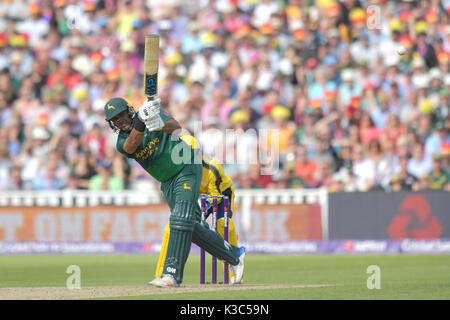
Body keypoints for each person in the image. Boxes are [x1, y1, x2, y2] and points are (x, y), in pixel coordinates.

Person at [104, 97, 245, 287]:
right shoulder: (122, 141)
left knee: (180, 219)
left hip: (186, 165)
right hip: (167, 181)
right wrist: (140, 122)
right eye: (115, 119)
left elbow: (177, 128)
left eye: (122, 115)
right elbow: (131, 145)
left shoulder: (151, 113)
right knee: (191, 225)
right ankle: (234, 256)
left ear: (128, 110)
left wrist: (157, 122)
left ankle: (171, 274)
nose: (120, 120)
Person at [154, 152, 241, 283]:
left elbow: (215, 195)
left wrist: (203, 206)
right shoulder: (177, 166)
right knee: (172, 228)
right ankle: (162, 274)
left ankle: (234, 273)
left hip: (221, 195)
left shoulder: (212, 168)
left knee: (224, 224)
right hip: (195, 197)